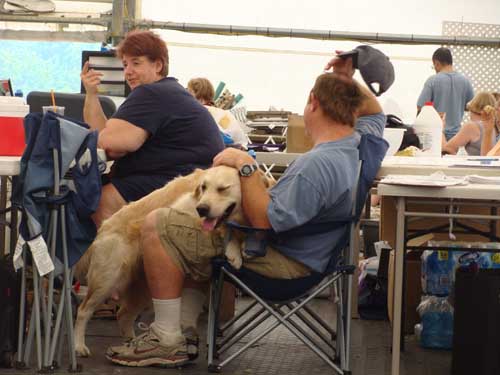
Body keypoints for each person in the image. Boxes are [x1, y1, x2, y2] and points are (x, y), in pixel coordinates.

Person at [104, 53, 386, 368]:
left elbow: (265, 221)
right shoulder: (361, 145)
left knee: (159, 223)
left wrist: (245, 165)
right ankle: (185, 326)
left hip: (284, 266)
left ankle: (166, 337)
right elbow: (376, 110)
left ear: (313, 104)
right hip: (319, 259)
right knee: (199, 232)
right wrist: (345, 79)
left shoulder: (315, 165)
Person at [80, 31, 224, 227]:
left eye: (136, 63)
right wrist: (91, 94)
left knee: (100, 201)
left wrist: (77, 139)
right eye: (125, 64)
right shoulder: (167, 91)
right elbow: (106, 136)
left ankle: (109, 257)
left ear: (158, 65)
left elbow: (109, 144)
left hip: (182, 184)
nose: (128, 71)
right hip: (198, 183)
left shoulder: (151, 93)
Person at [417, 47, 474, 141]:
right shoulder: (465, 81)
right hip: (457, 136)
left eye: (434, 66)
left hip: (436, 133)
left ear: (437, 63)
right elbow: (472, 106)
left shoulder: (433, 80)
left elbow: (420, 107)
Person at [187, 77, 248, 147]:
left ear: (194, 93)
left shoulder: (196, 113)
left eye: (189, 91)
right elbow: (239, 139)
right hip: (233, 151)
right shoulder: (224, 113)